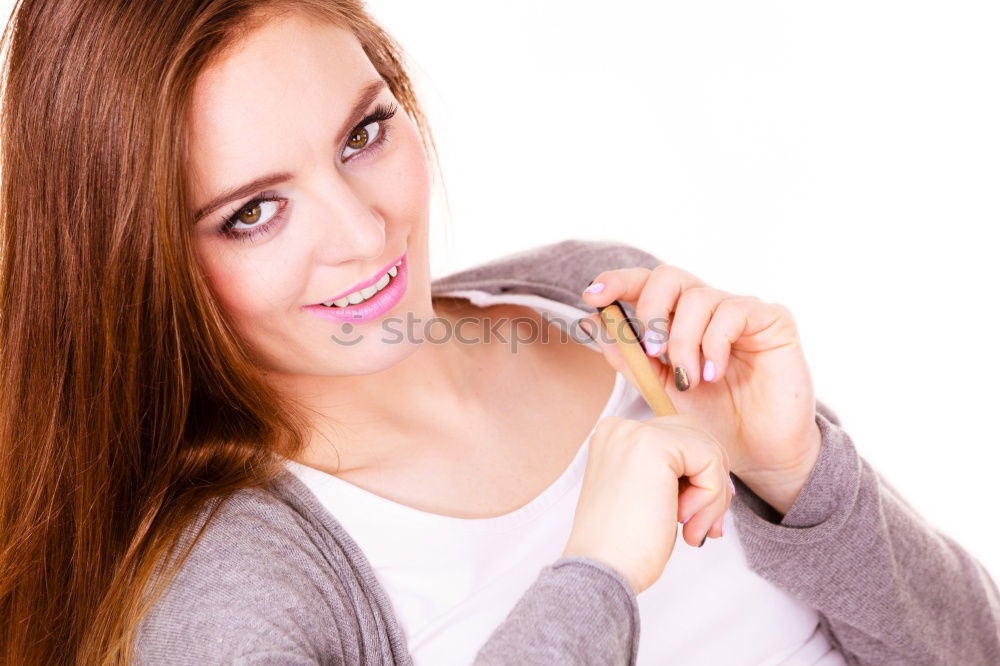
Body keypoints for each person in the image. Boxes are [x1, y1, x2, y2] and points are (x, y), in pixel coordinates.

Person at [0, 2, 997, 665]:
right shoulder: (231, 589)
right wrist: (593, 576)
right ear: (138, 264)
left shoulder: (593, 298)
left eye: (364, 133)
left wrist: (800, 476)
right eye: (253, 211)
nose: (362, 233)